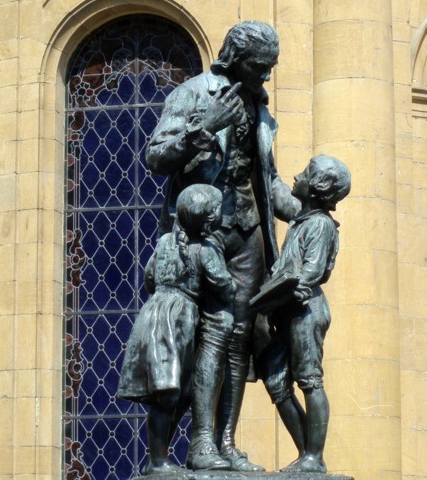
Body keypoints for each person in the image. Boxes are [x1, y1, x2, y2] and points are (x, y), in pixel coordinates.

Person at [146, 20, 300, 471]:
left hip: (248, 231)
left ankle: (225, 443)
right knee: (200, 338)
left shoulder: (259, 105)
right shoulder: (194, 93)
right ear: (235, 58)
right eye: (260, 66)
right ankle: (195, 445)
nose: (267, 75)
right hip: (202, 233)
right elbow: (156, 156)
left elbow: (268, 180)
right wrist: (203, 129)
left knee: (238, 338)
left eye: (270, 67)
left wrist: (311, 210)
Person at [117, 184, 235, 475]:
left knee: (166, 393)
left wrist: (164, 296)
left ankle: (157, 459)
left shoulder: (164, 242)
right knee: (171, 393)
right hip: (178, 323)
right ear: (209, 220)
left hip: (154, 316)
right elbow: (223, 286)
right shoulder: (205, 251)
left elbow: (148, 278)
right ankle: (158, 462)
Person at [254, 154, 351, 473]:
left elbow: (309, 273)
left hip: (305, 310)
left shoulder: (320, 224)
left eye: (306, 173)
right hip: (287, 310)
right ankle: (304, 453)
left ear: (317, 186)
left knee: (310, 379)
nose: (298, 175)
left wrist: (276, 292)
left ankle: (314, 456)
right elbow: (275, 188)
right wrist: (262, 151)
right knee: (275, 377)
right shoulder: (302, 216)